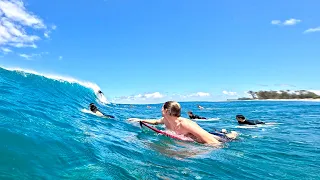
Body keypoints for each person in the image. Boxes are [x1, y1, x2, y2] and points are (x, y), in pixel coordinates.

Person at [129, 101, 238, 145]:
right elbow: (156, 121)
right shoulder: (166, 119)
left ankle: (233, 134)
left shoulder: (186, 124)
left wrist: (194, 151)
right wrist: (140, 119)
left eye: (162, 108)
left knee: (227, 138)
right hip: (197, 136)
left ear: (167, 111)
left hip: (208, 137)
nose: (160, 110)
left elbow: (213, 142)